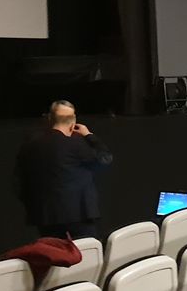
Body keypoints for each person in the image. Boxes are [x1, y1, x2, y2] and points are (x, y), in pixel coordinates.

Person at [15, 100, 113, 239]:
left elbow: (18, 181)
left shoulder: (29, 145)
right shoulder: (76, 144)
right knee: (85, 251)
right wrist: (89, 135)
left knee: (53, 252)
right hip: (79, 216)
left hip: (44, 217)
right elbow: (105, 158)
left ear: (49, 119)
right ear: (73, 123)